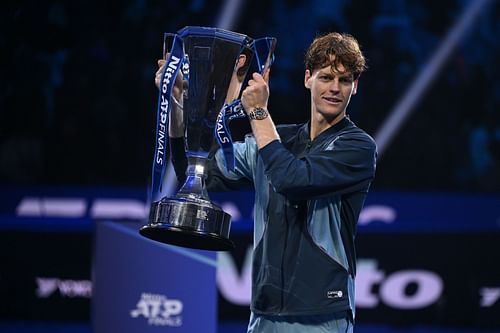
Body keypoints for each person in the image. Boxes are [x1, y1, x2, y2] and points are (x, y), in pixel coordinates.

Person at [155, 32, 377, 333]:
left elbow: (293, 180)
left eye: (345, 80)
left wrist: (258, 112)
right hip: (263, 312)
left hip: (321, 316)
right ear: (308, 79)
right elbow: (195, 174)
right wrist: (179, 105)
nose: (335, 88)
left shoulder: (358, 147)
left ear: (356, 87)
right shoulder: (278, 137)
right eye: (326, 77)